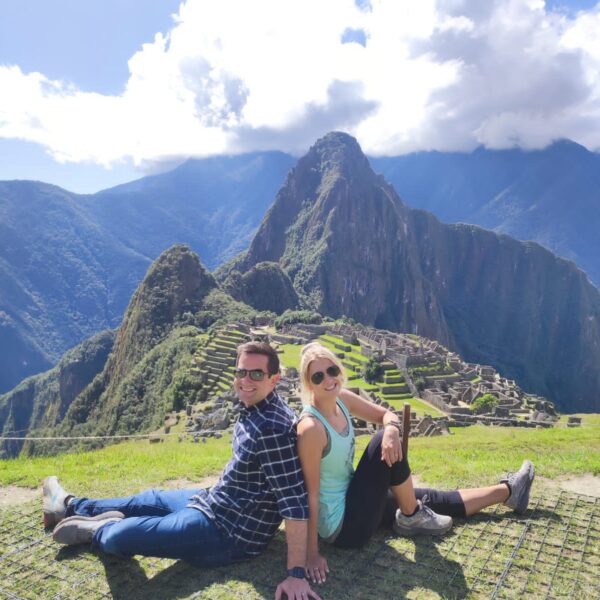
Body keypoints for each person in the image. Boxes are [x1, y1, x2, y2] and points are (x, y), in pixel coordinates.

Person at [43, 341, 320, 600]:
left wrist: (296, 574)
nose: (246, 380)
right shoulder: (258, 406)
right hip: (214, 501)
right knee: (147, 499)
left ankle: (99, 530)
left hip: (228, 533)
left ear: (274, 379)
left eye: (256, 374)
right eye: (241, 372)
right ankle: (68, 507)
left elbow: (293, 502)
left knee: (119, 537)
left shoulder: (271, 429)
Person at [297, 342, 535, 585]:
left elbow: (385, 415)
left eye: (332, 370)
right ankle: (411, 515)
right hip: (343, 528)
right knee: (382, 444)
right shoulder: (311, 429)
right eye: (318, 376)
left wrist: (391, 427)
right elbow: (310, 495)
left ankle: (508, 491)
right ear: (308, 384)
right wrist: (312, 554)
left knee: (422, 495)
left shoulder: (342, 400)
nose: (328, 379)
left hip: (355, 500)